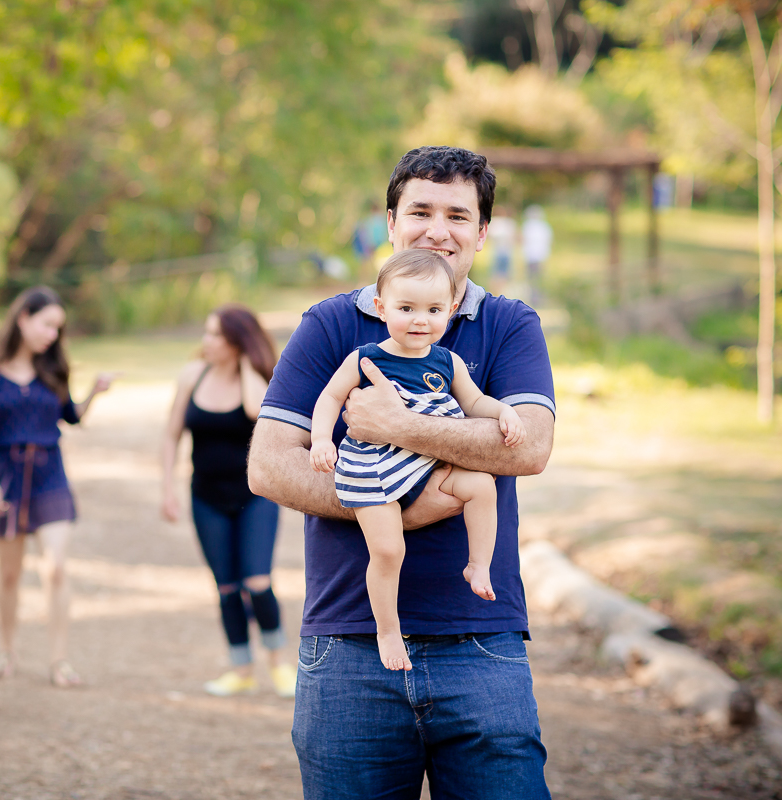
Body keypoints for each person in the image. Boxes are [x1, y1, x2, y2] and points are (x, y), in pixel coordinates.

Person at [248, 146, 556, 799]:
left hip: (481, 643)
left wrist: (400, 426)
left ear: (482, 232)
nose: (437, 230)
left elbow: (527, 448)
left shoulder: (508, 325)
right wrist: (396, 506)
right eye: (420, 211)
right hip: (348, 644)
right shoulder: (333, 324)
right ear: (390, 223)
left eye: (458, 215)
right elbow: (269, 465)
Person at [309, 249, 525, 671]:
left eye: (433, 310)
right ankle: (387, 630)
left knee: (481, 485)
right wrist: (321, 440)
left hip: (424, 466)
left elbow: (475, 402)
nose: (420, 320)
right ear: (381, 307)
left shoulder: (447, 362)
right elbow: (331, 396)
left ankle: (478, 566)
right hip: (373, 467)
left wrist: (504, 412)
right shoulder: (367, 357)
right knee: (389, 550)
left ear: (451, 310)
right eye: (406, 308)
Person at [0, 286, 112, 687]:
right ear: (23, 318)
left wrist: (94, 393)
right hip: (5, 477)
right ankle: (5, 651)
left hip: (50, 474)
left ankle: (59, 661)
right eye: (47, 325)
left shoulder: (53, 367)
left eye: (58, 328)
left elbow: (70, 416)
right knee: (9, 574)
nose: (53, 335)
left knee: (56, 568)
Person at [160, 304, 296, 699]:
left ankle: (279, 663)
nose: (207, 341)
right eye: (207, 332)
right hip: (206, 497)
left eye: (217, 334)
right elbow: (171, 434)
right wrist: (167, 488)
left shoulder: (256, 380)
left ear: (238, 341)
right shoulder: (192, 375)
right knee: (226, 587)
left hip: (255, 497)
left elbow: (256, 410)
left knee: (257, 581)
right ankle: (241, 669)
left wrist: (245, 364)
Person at [520, 204, 553, 305]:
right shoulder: (545, 226)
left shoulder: (528, 226)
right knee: (538, 278)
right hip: (541, 256)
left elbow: (522, 239)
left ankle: (533, 298)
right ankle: (537, 298)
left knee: (531, 278)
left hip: (530, 256)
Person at [487, 207, 517, 296]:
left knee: (496, 274)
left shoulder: (494, 223)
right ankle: (500, 292)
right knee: (503, 274)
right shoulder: (509, 223)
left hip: (497, 252)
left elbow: (489, 236)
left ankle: (495, 292)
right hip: (506, 253)